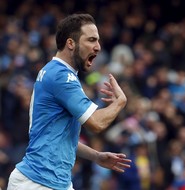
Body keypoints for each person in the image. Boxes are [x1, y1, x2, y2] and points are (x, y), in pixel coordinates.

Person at [7, 13, 131, 190]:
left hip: (53, 182)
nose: (98, 47)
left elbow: (59, 137)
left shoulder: (57, 73)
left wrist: (96, 156)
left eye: (98, 40)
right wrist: (120, 102)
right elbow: (96, 123)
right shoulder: (61, 77)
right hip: (38, 182)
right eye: (91, 40)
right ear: (70, 43)